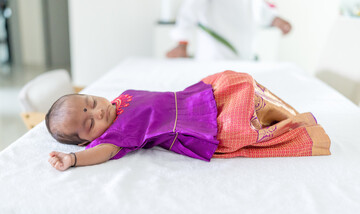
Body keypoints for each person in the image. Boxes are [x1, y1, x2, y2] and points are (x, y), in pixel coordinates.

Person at [46, 71, 330, 171]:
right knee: (240, 123)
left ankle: (277, 110)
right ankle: (291, 125)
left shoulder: (119, 100)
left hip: (194, 100)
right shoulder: (114, 137)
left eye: (92, 104)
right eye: (90, 124)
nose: (98, 113)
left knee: (237, 80)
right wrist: (72, 159)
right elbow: (100, 153)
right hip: (200, 127)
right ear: (87, 140)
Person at [166, 0, 292, 60]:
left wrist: (275, 19)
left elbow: (259, 9)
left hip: (244, 57)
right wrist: (181, 43)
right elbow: (188, 12)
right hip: (214, 58)